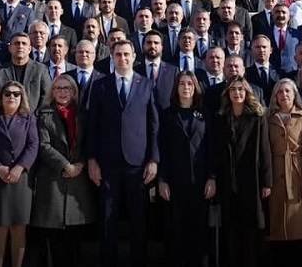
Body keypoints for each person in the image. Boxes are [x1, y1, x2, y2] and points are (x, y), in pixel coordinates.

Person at [86, 39, 159, 267]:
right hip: (107, 162)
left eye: (127, 54)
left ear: (134, 56)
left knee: (139, 217)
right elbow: (92, 125)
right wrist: (91, 160)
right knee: (108, 217)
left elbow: (153, 125)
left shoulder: (147, 85)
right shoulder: (100, 85)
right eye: (118, 55)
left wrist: (154, 159)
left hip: (137, 162)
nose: (123, 59)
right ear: (112, 57)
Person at [29, 74, 97, 267]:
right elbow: (43, 145)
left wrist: (81, 165)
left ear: (74, 91)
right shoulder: (43, 113)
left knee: (74, 237)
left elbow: (89, 143)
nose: (63, 92)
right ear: (52, 92)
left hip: (78, 180)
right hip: (52, 179)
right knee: (53, 238)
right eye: (58, 88)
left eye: (67, 88)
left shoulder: (83, 114)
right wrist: (64, 165)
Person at [212, 75, 271, 267]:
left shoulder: (257, 117)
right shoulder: (220, 117)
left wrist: (266, 181)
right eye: (233, 90)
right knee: (230, 229)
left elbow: (264, 150)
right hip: (228, 181)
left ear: (247, 93)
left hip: (251, 181)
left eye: (240, 89)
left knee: (251, 229)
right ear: (227, 93)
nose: (237, 93)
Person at [158, 70, 214, 267]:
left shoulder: (205, 115)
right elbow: (162, 149)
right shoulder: (167, 115)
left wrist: (212, 177)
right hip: (174, 182)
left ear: (195, 87)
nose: (186, 87)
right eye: (182, 83)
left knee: (199, 230)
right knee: (176, 230)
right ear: (176, 87)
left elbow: (210, 148)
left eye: (190, 84)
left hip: (200, 182)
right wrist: (162, 179)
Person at [0, 80, 39, 267]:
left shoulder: (29, 119)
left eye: (16, 94)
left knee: (18, 229)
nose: (12, 97)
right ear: (1, 98)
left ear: (22, 98)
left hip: (21, 181)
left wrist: (19, 167)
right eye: (7, 94)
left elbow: (33, 145)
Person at [266, 78, 302, 265]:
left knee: (297, 230)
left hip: (296, 177)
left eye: (287, 91)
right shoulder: (269, 119)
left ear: (294, 94)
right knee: (277, 229)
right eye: (280, 92)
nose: (284, 95)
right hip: (274, 179)